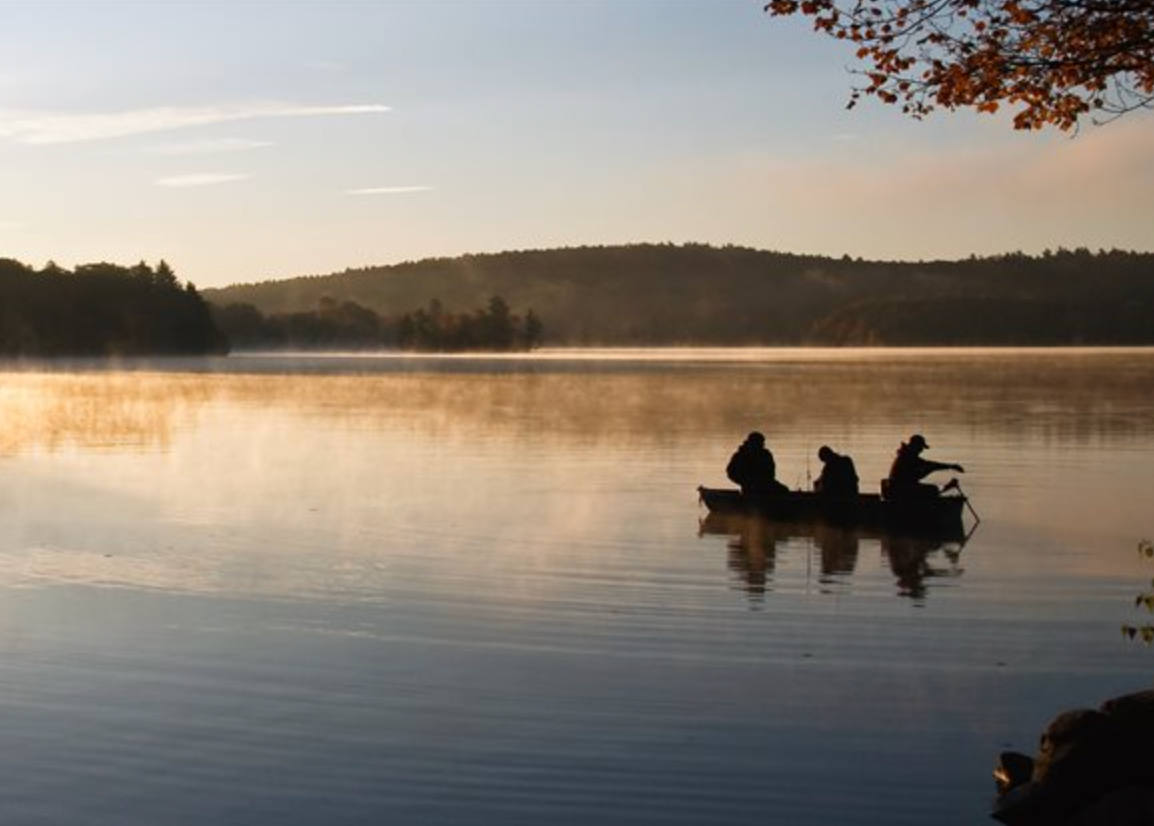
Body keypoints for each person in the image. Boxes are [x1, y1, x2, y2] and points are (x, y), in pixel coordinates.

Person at [885, 434, 964, 500]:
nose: (921, 450)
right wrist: (951, 466)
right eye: (920, 447)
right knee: (932, 490)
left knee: (932, 488)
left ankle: (945, 488)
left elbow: (927, 466)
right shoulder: (908, 456)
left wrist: (948, 467)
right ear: (915, 446)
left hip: (899, 488)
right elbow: (929, 465)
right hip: (899, 490)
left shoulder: (907, 454)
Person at [726, 431, 788, 497]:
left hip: (766, 484)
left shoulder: (766, 454)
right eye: (758, 443)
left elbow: (771, 472)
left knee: (784, 490)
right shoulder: (741, 455)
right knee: (755, 494)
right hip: (749, 486)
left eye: (762, 443)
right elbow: (731, 472)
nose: (762, 445)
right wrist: (745, 482)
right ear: (751, 443)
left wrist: (766, 481)